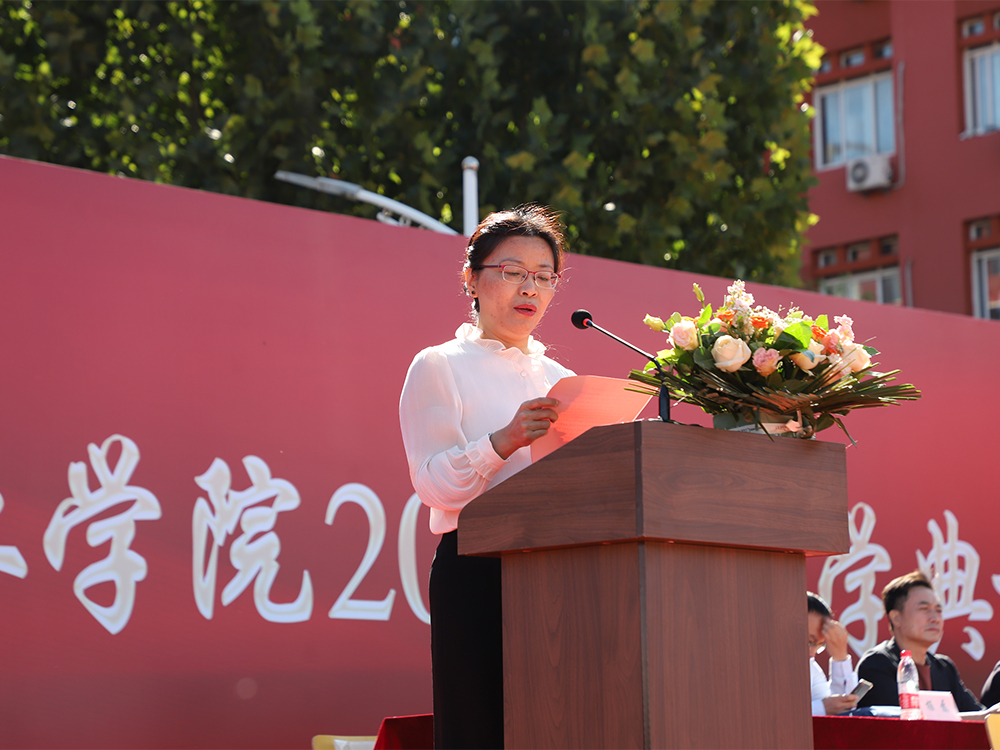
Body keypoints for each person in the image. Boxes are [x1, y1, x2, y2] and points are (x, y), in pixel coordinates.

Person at [399, 204, 574, 750]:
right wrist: (503, 441)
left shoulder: (562, 380)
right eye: (513, 271)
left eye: (544, 276)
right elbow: (432, 483)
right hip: (477, 568)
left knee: (559, 725)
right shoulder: (439, 364)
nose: (530, 288)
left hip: (563, 573)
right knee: (482, 729)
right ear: (472, 279)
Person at [856, 570, 983, 712]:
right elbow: (900, 719)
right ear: (896, 618)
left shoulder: (945, 668)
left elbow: (977, 716)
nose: (935, 618)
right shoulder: (877, 664)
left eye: (938, 610)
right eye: (924, 609)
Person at [808, 592, 859, 715]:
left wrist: (840, 657)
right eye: (810, 642)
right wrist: (822, 708)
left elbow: (841, 711)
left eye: (819, 646)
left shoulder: (810, 666)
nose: (812, 654)